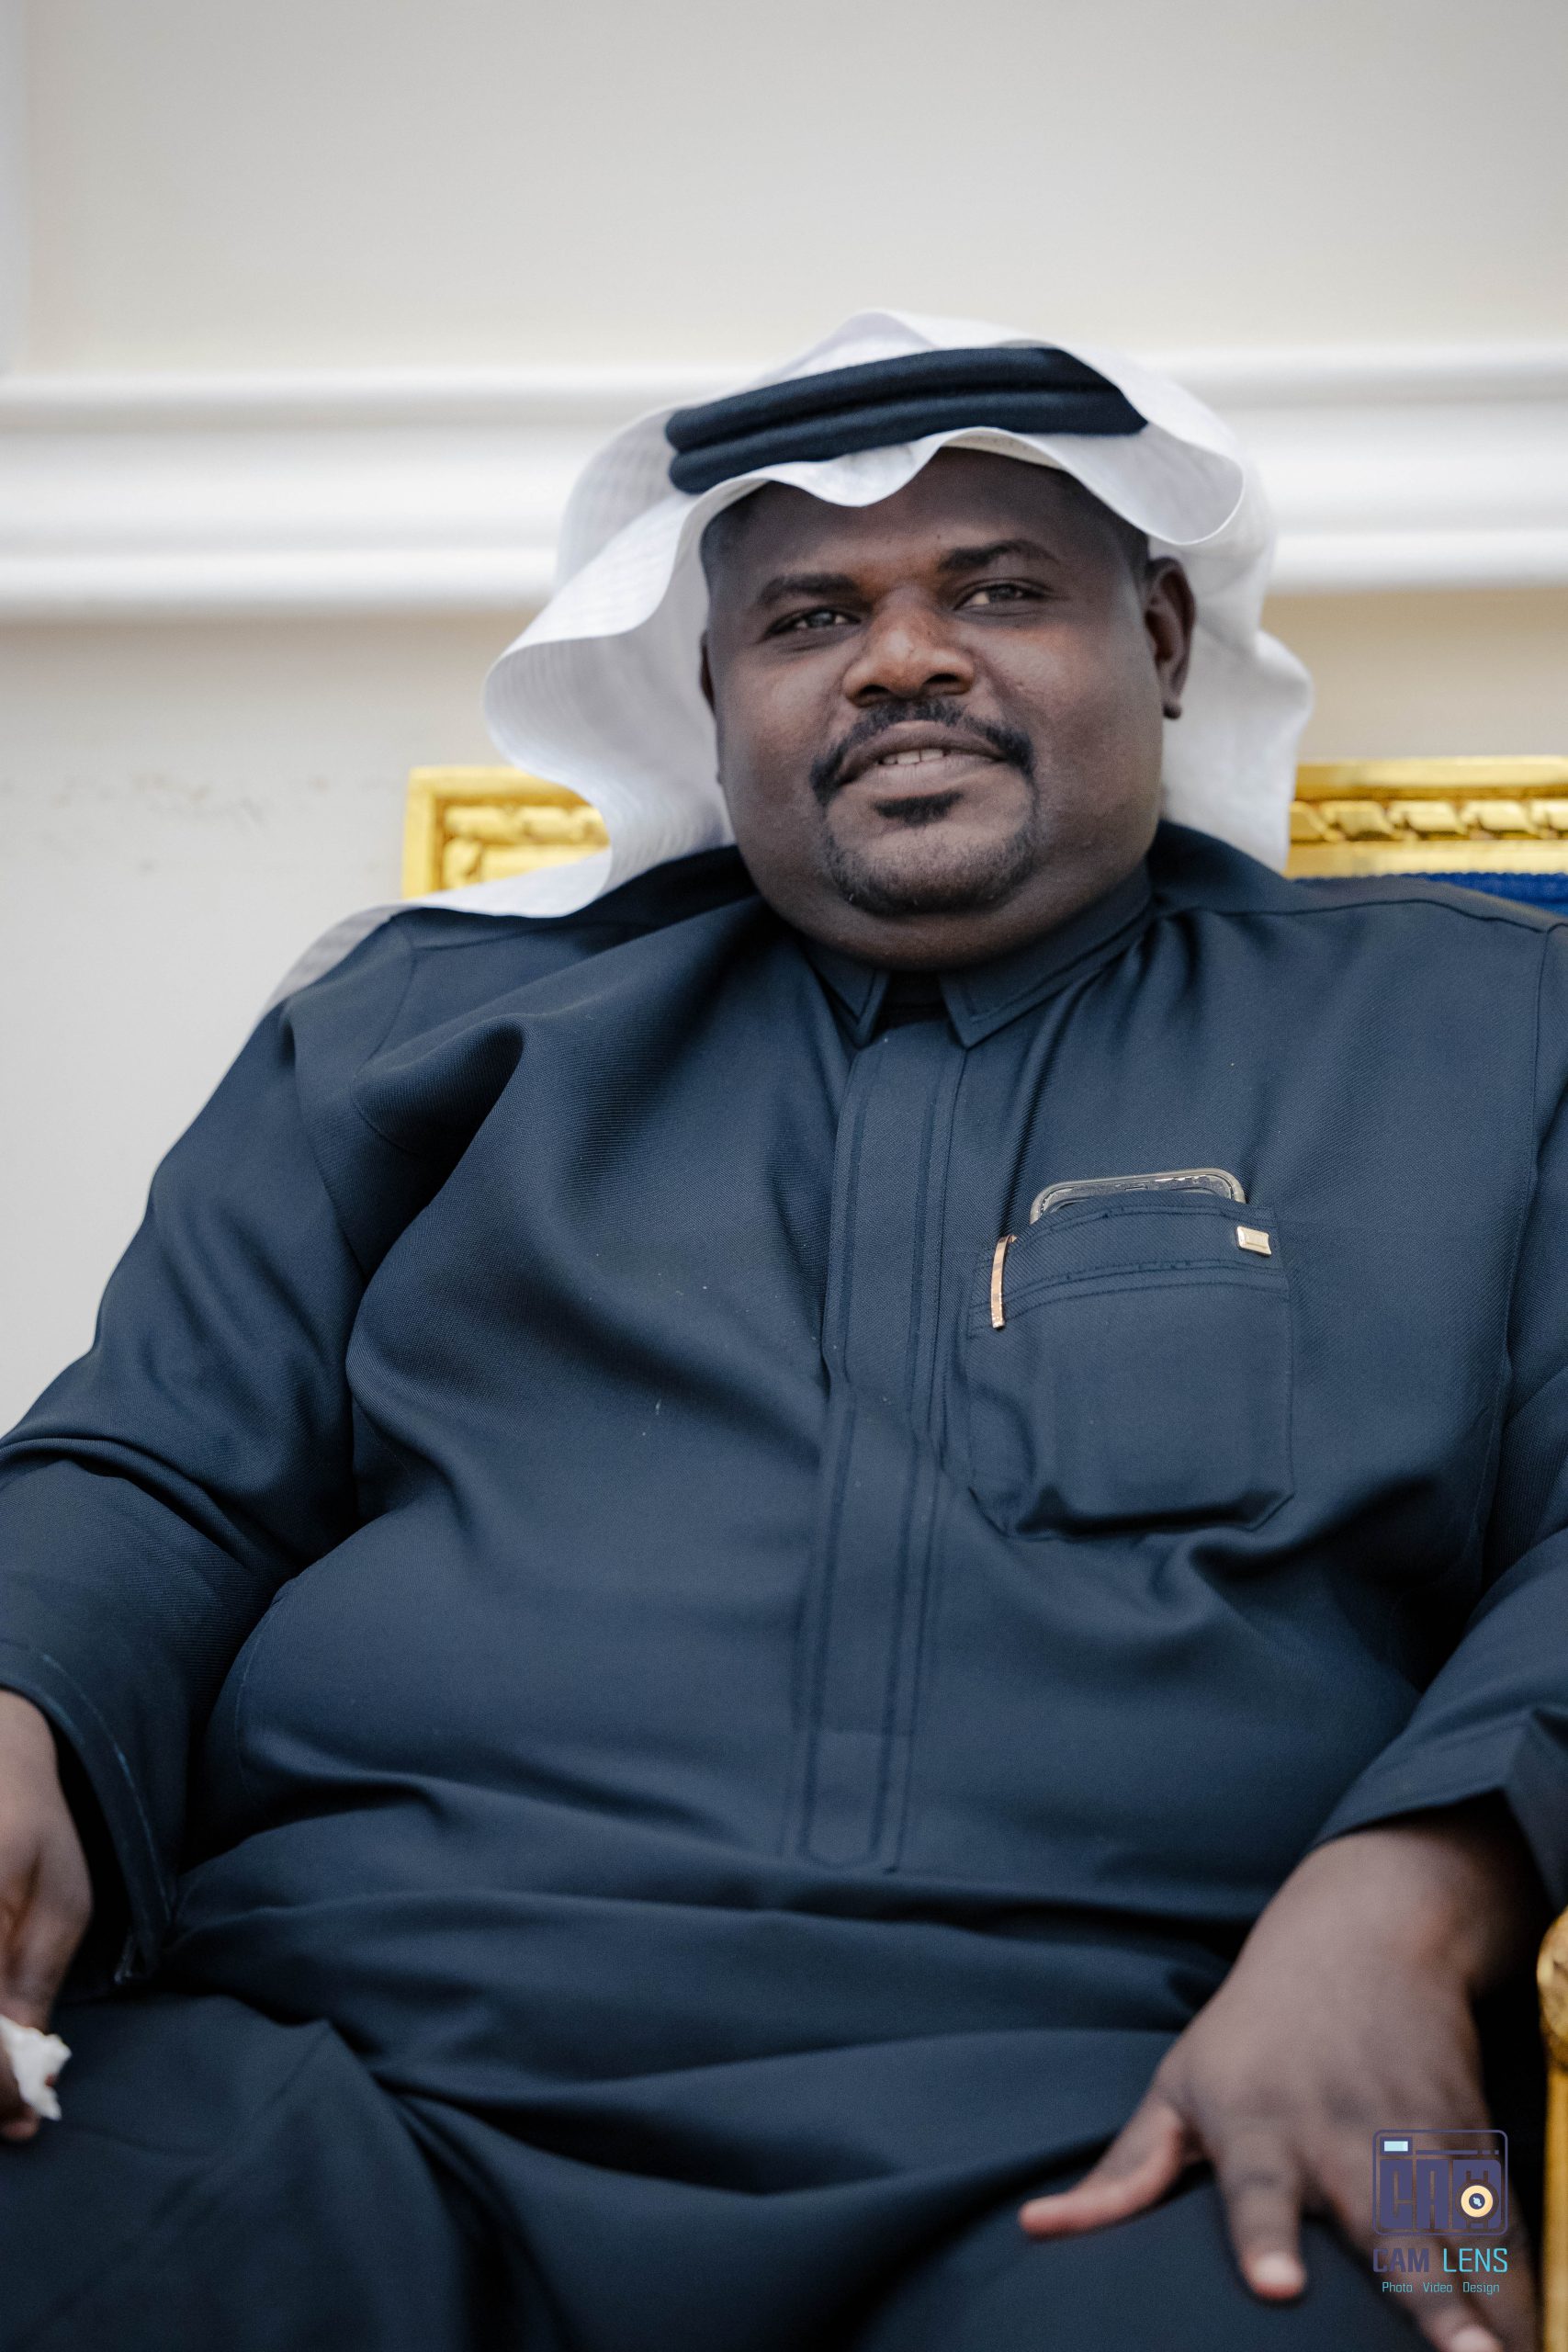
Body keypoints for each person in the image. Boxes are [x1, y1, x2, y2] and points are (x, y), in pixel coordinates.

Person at [0, 311, 1560, 2352]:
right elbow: (146, 1465)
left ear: (1164, 637)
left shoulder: (1491, 1019)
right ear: (713, 697)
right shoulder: (398, 1032)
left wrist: (1418, 1900)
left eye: (998, 591)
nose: (902, 658)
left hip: (1202, 2073)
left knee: (1449, 2289)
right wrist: (15, 1695)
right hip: (337, 2060)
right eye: (810, 617)